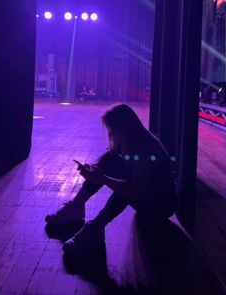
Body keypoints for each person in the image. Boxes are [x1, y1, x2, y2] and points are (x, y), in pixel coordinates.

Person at [45, 104, 176, 255]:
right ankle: (77, 206)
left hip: (159, 207)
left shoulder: (146, 149)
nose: (110, 133)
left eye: (112, 129)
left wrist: (103, 178)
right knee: (110, 159)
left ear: (124, 127)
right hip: (146, 196)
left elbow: (136, 189)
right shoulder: (129, 141)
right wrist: (94, 171)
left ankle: (95, 227)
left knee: (125, 185)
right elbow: (110, 162)